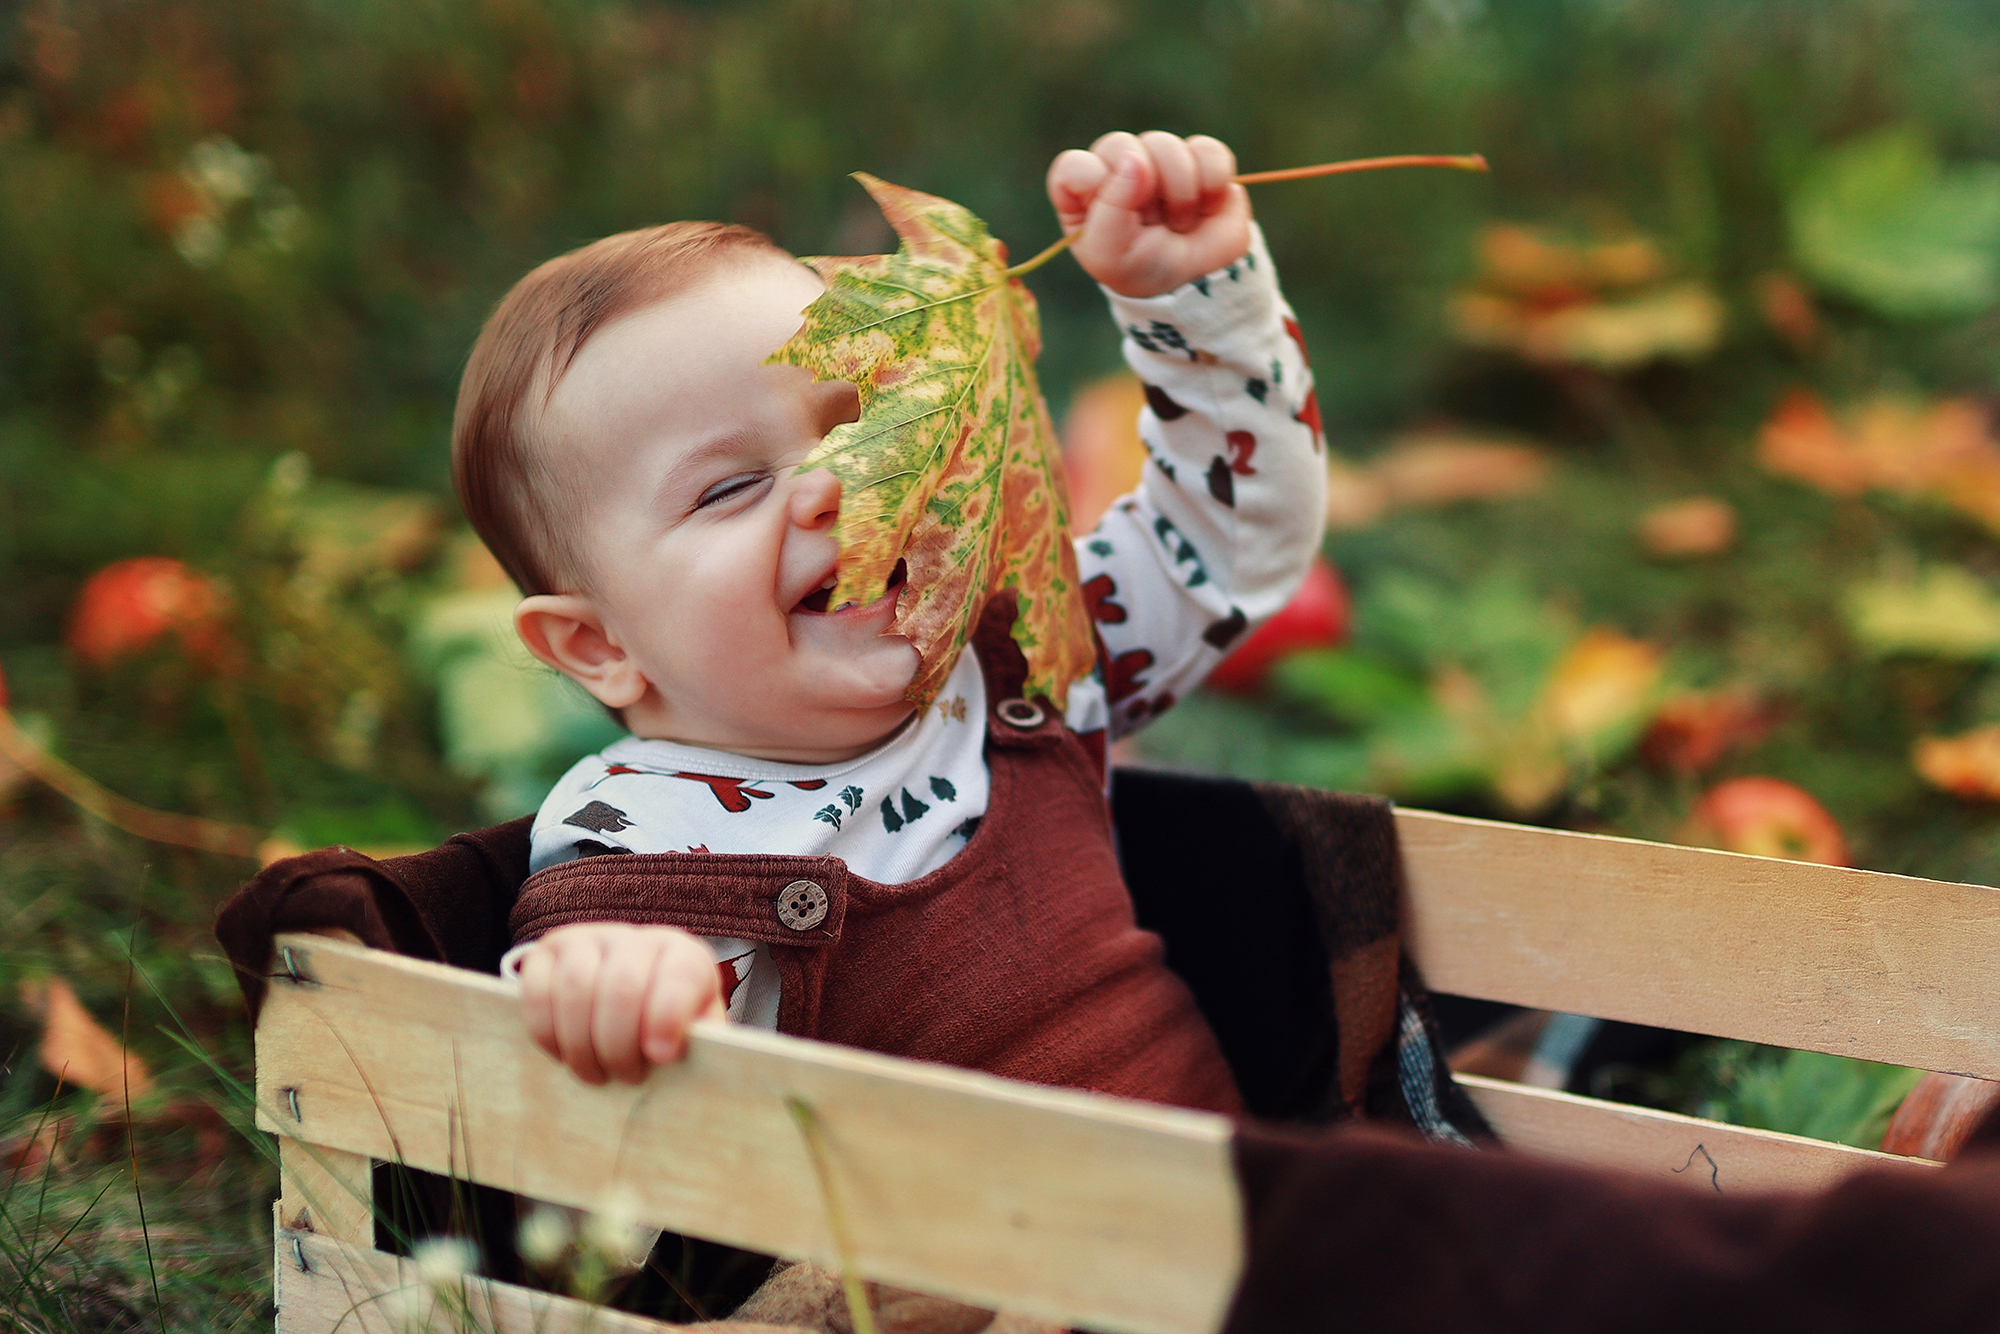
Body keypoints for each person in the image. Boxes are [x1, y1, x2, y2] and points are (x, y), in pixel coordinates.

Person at [443, 129, 1328, 1107]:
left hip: (1237, 1212)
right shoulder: (648, 836)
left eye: (862, 427)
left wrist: (1193, 301)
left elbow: (1232, 541)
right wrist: (604, 985)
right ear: (598, 644)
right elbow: (591, 1062)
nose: (831, 481)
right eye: (731, 485)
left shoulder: (1022, 655)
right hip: (946, 1251)